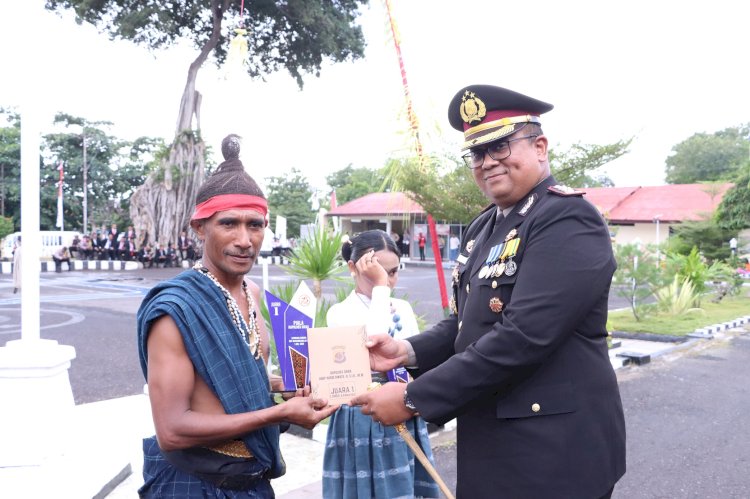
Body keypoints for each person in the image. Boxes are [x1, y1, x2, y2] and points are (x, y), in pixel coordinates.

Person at [350, 85, 626, 498]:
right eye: (477, 153)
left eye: (500, 147)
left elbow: (524, 336)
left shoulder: (567, 218)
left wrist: (412, 398)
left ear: (540, 146)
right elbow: (467, 321)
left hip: (556, 453)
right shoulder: (484, 228)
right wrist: (406, 352)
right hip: (495, 443)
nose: (488, 162)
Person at [136, 134, 337, 497]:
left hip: (253, 480)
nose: (245, 239)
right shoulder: (176, 311)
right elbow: (172, 429)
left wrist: (285, 384)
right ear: (200, 227)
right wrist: (279, 414)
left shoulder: (253, 294)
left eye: (255, 225)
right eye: (229, 223)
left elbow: (242, 376)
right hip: (196, 484)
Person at [322, 230, 439, 499]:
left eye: (393, 272)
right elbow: (372, 345)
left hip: (402, 405)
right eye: (377, 273)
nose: (388, 281)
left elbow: (409, 361)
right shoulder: (340, 312)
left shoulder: (402, 307)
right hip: (362, 415)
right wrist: (381, 290)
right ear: (352, 267)